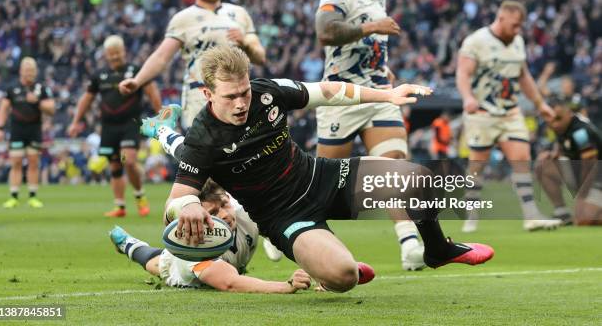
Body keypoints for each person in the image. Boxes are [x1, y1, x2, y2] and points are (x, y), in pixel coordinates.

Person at [144, 45, 494, 293]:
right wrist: (186, 205)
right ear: (207, 94)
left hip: (320, 176)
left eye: (244, 93)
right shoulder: (203, 138)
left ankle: (437, 249)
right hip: (283, 216)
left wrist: (386, 95)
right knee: (344, 278)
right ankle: (327, 265)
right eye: (229, 97)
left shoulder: (268, 93)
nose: (240, 103)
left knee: (418, 177)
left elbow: (326, 90)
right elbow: (177, 198)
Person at [313, 0, 424, 270]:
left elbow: (371, 44)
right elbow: (326, 32)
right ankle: (280, 224)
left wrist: (383, 67)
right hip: (341, 97)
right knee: (324, 185)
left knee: (392, 165)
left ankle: (409, 244)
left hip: (379, 94)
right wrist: (371, 26)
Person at [456, 0, 562, 232]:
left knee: (521, 160)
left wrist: (539, 103)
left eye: (520, 26)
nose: (518, 30)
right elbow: (463, 73)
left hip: (510, 111)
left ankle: (531, 215)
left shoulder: (518, 42)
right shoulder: (476, 41)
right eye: (514, 25)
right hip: (482, 112)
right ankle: (471, 216)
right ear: (501, 18)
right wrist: (467, 98)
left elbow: (523, 76)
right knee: (477, 166)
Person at [118, 0, 266, 128]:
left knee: (241, 152)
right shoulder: (183, 18)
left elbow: (260, 58)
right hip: (200, 97)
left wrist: (245, 42)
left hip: (237, 96)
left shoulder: (239, 14)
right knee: (204, 153)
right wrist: (137, 81)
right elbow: (161, 57)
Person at [109, 179, 312, 292]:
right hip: (179, 269)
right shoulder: (196, 249)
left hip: (234, 262)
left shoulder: (244, 212)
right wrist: (286, 287)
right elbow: (230, 282)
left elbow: (292, 232)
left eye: (224, 204)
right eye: (213, 214)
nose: (224, 214)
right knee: (157, 263)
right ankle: (128, 244)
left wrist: (323, 274)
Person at [68, 35, 161, 217]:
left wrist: (161, 116)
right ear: (106, 54)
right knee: (115, 167)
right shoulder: (99, 76)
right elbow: (86, 99)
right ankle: (120, 206)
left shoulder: (136, 71)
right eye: (111, 54)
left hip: (130, 124)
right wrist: (75, 121)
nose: (114, 57)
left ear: (123, 51)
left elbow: (152, 92)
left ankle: (140, 196)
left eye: (117, 53)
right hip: (109, 127)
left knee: (129, 161)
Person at [0, 57, 55, 208]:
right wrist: (1, 128)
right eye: (27, 70)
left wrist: (37, 101)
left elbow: (51, 109)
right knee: (15, 162)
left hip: (34, 130)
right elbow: (4, 107)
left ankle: (33, 196)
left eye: (32, 70)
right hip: (17, 130)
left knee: (33, 162)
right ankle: (14, 196)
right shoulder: (12, 88)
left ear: (36, 72)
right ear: (21, 71)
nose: (30, 73)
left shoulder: (41, 89)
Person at [535, 95, 602, 225]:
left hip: (597, 179)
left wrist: (581, 197)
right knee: (543, 166)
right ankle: (562, 213)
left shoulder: (580, 132)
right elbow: (563, 144)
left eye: (558, 119)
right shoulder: (563, 128)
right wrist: (554, 153)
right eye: (551, 119)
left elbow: (590, 166)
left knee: (584, 219)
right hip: (581, 176)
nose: (554, 124)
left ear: (569, 113)